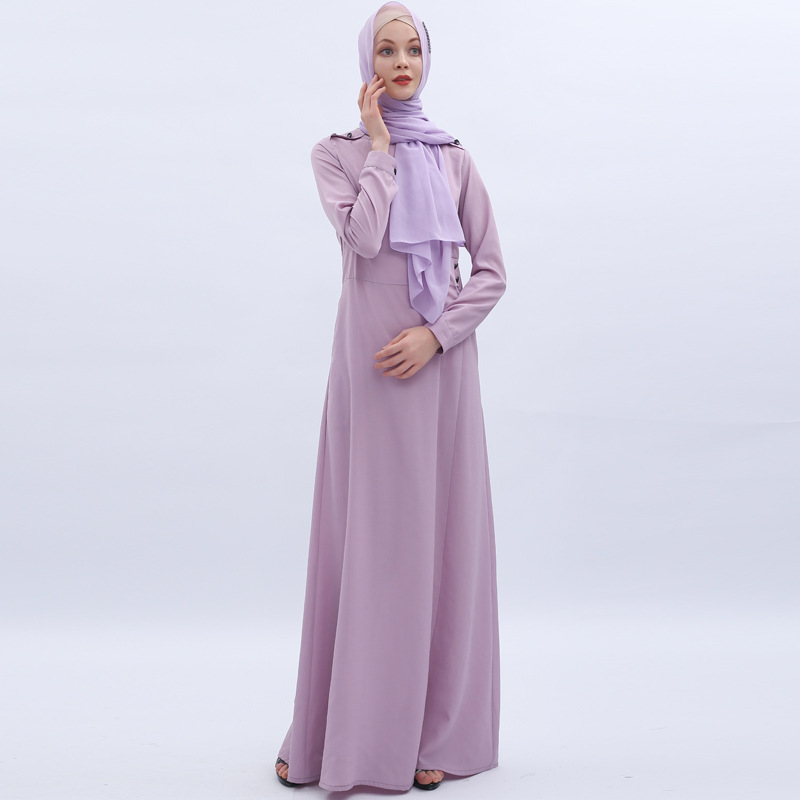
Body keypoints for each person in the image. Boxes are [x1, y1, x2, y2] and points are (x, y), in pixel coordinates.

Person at [274, 2, 506, 792]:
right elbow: (363, 239)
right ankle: (330, 731)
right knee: (367, 544)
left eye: (412, 49)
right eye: (386, 50)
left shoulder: (454, 158)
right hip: (368, 373)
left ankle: (435, 733)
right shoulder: (336, 153)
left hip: (439, 370)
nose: (402, 63)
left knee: (440, 541)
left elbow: (492, 272)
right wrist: (379, 146)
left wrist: (436, 336)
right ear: (366, 62)